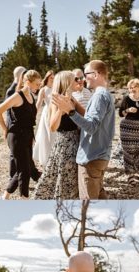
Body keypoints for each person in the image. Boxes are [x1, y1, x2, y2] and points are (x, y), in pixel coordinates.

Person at [50, 60, 115, 200]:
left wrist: (70, 111)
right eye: (77, 78)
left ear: (96, 74)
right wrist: (65, 109)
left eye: (85, 75)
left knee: (88, 200)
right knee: (97, 193)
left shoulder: (99, 96)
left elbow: (90, 125)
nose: (82, 80)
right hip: (93, 153)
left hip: (91, 155)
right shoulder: (103, 94)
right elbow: (54, 126)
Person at [35, 71, 85, 199]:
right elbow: (52, 127)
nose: (78, 81)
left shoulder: (72, 98)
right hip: (65, 144)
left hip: (76, 140)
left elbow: (85, 114)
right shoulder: (56, 100)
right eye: (75, 79)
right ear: (67, 83)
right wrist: (62, 109)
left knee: (73, 175)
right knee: (65, 175)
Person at [0, 70, 42, 198]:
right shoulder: (17, 96)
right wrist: (5, 129)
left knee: (25, 167)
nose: (39, 87)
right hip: (16, 136)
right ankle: (24, 199)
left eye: (40, 84)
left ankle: (5, 197)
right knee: (24, 171)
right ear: (28, 82)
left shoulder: (31, 95)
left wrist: (31, 137)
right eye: (37, 84)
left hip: (27, 135)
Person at [117, 79, 139, 183]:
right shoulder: (127, 99)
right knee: (128, 150)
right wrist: (128, 110)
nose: (132, 89)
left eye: (134, 87)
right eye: (130, 88)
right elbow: (120, 113)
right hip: (127, 127)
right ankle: (130, 174)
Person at [33, 71, 56, 170]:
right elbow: (38, 103)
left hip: (55, 112)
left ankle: (55, 157)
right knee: (47, 135)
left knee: (55, 135)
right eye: (51, 77)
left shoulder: (56, 88)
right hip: (47, 113)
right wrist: (33, 115)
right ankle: (46, 159)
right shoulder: (43, 89)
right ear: (47, 78)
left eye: (54, 77)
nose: (53, 79)